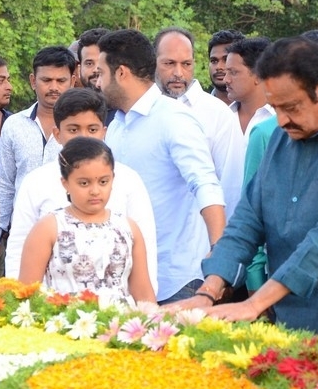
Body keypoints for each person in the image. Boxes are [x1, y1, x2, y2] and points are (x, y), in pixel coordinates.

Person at [174, 37, 318, 349]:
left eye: (292, 107)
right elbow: (247, 222)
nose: (282, 120)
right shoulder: (280, 139)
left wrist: (255, 302)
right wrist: (209, 291)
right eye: (275, 108)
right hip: (291, 324)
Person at [98, 29, 226, 304]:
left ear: (120, 73)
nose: (97, 82)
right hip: (128, 279)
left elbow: (205, 183)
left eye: (101, 73)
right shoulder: (118, 124)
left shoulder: (173, 118)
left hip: (176, 280)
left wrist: (219, 251)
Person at [5, 88, 157, 292]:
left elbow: (145, 246)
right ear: (57, 134)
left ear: (104, 132)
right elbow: (19, 247)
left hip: (117, 311)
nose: (83, 137)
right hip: (56, 309)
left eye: (92, 129)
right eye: (73, 129)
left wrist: (145, 305)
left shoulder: (129, 180)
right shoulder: (36, 182)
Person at [18, 137, 155, 305]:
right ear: (65, 183)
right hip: (64, 325)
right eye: (84, 183)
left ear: (113, 179)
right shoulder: (49, 228)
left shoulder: (127, 228)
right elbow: (27, 296)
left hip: (120, 326)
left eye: (103, 182)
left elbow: (144, 294)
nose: (95, 191)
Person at [0, 46, 77, 273]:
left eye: (61, 80)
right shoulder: (14, 125)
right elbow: (3, 183)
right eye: (46, 80)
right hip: (21, 233)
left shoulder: (84, 129)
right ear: (32, 80)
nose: (53, 87)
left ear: (73, 80)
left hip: (70, 237)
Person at [153, 27, 245, 219]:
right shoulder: (137, 113)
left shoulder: (218, 115)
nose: (178, 73)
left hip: (201, 245)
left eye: (186, 64)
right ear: (152, 62)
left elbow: (231, 188)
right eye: (169, 63)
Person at [224, 37, 275, 143]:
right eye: (226, 72)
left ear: (258, 75)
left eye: (233, 72)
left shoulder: (282, 121)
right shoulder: (221, 116)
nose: (226, 79)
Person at [207, 29, 244, 104]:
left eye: (226, 60)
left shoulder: (266, 111)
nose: (218, 67)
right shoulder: (197, 109)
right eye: (214, 61)